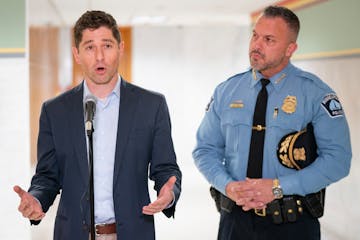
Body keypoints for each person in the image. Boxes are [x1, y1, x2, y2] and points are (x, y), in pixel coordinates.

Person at [14, 10, 182, 240]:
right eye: (90, 47)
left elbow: (166, 169)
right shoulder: (54, 111)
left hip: (132, 233)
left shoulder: (151, 105)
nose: (100, 56)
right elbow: (47, 176)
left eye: (107, 45)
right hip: (73, 233)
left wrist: (168, 192)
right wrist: (36, 198)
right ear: (77, 54)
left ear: (120, 48)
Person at [193, 5, 351, 240]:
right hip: (235, 222)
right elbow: (205, 150)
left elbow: (338, 161)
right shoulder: (227, 91)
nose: (256, 45)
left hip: (293, 225)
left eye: (269, 39)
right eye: (255, 35)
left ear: (290, 49)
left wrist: (278, 187)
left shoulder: (315, 94)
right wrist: (227, 185)